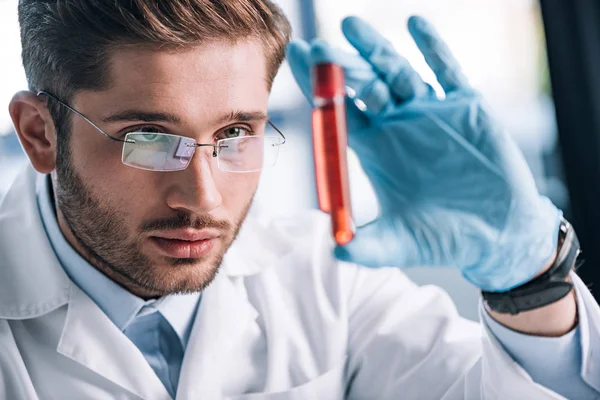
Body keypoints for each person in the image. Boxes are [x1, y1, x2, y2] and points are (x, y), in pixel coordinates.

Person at [1, 0, 599, 398]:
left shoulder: (318, 276)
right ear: (40, 133)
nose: (203, 198)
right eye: (150, 140)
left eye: (235, 135)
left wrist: (529, 280)